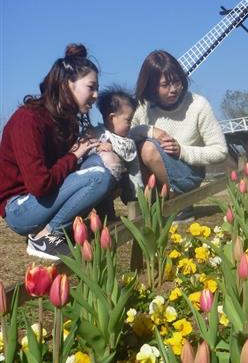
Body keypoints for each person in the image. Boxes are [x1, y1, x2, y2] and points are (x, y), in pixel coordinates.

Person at [0, 44, 116, 260]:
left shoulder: (65, 121)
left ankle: (95, 220)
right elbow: (39, 184)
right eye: (91, 87)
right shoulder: (28, 120)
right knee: (99, 176)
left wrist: (89, 152)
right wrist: (74, 155)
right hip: (20, 208)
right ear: (66, 85)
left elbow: (63, 169)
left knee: (103, 165)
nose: (96, 95)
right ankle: (45, 237)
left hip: (43, 199)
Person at [131, 50, 228, 211]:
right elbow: (127, 136)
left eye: (177, 82)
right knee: (139, 144)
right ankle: (151, 205)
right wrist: (149, 130)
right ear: (151, 86)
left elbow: (220, 151)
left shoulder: (197, 105)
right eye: (165, 85)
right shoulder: (144, 107)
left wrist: (182, 151)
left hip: (186, 175)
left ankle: (180, 203)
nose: (174, 89)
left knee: (148, 149)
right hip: (152, 178)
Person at [85, 86, 151, 200]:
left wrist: (138, 192)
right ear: (111, 118)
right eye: (128, 120)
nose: (131, 124)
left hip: (121, 181)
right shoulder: (98, 134)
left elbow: (135, 169)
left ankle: (134, 204)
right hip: (100, 182)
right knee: (104, 202)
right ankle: (107, 214)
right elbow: (86, 153)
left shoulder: (128, 141)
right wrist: (98, 147)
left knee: (129, 189)